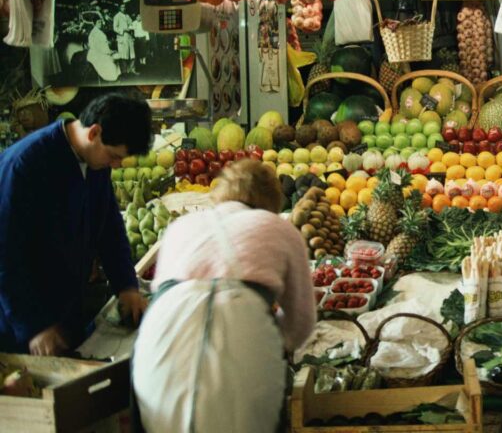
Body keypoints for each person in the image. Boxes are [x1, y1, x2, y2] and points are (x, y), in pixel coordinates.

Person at [132, 159, 315, 433]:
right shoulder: (279, 227)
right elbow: (300, 322)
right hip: (240, 338)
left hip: (160, 341)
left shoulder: (181, 226)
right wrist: (270, 332)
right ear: (272, 200)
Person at [0, 93, 152, 354]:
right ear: (94, 132)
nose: (115, 165)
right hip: (19, 324)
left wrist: (126, 285)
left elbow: (110, 228)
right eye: (114, 156)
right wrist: (33, 326)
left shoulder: (95, 164)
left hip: (66, 310)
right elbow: (5, 256)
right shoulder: (25, 166)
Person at [113, 4, 136, 75]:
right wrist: (123, 29)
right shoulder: (117, 16)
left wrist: (131, 27)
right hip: (122, 37)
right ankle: (124, 71)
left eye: (124, 7)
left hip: (129, 37)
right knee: (123, 55)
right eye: (122, 7)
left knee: (132, 54)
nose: (124, 8)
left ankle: (132, 69)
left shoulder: (127, 16)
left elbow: (131, 24)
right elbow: (115, 28)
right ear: (119, 8)